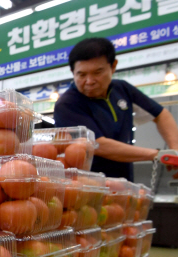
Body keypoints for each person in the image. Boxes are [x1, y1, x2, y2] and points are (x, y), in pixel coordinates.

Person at [54, 37, 178, 181]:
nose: (89, 81)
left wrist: (174, 151)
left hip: (124, 182)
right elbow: (99, 145)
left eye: (97, 72)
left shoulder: (122, 89)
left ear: (113, 66)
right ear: (72, 72)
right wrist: (157, 154)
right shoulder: (67, 104)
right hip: (87, 186)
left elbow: (161, 114)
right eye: (81, 74)